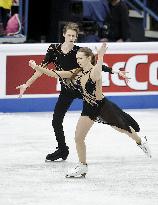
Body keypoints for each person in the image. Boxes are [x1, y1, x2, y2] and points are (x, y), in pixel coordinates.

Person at [28, 43, 152, 178]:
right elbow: (55, 73)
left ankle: (141, 142)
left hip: (102, 107)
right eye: (77, 58)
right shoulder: (76, 72)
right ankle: (82, 166)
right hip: (88, 108)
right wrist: (36, 67)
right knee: (78, 138)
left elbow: (98, 69)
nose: (78, 60)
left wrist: (101, 56)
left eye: (80, 58)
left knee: (123, 129)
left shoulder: (94, 72)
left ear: (88, 58)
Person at [17, 22, 127, 162]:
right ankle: (62, 150)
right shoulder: (53, 49)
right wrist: (27, 84)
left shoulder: (79, 51)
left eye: (74, 36)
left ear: (76, 37)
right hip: (67, 91)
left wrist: (115, 71)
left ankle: (122, 123)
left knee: (103, 112)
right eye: (68, 35)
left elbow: (95, 67)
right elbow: (40, 70)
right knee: (56, 120)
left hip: (82, 89)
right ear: (63, 35)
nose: (71, 38)